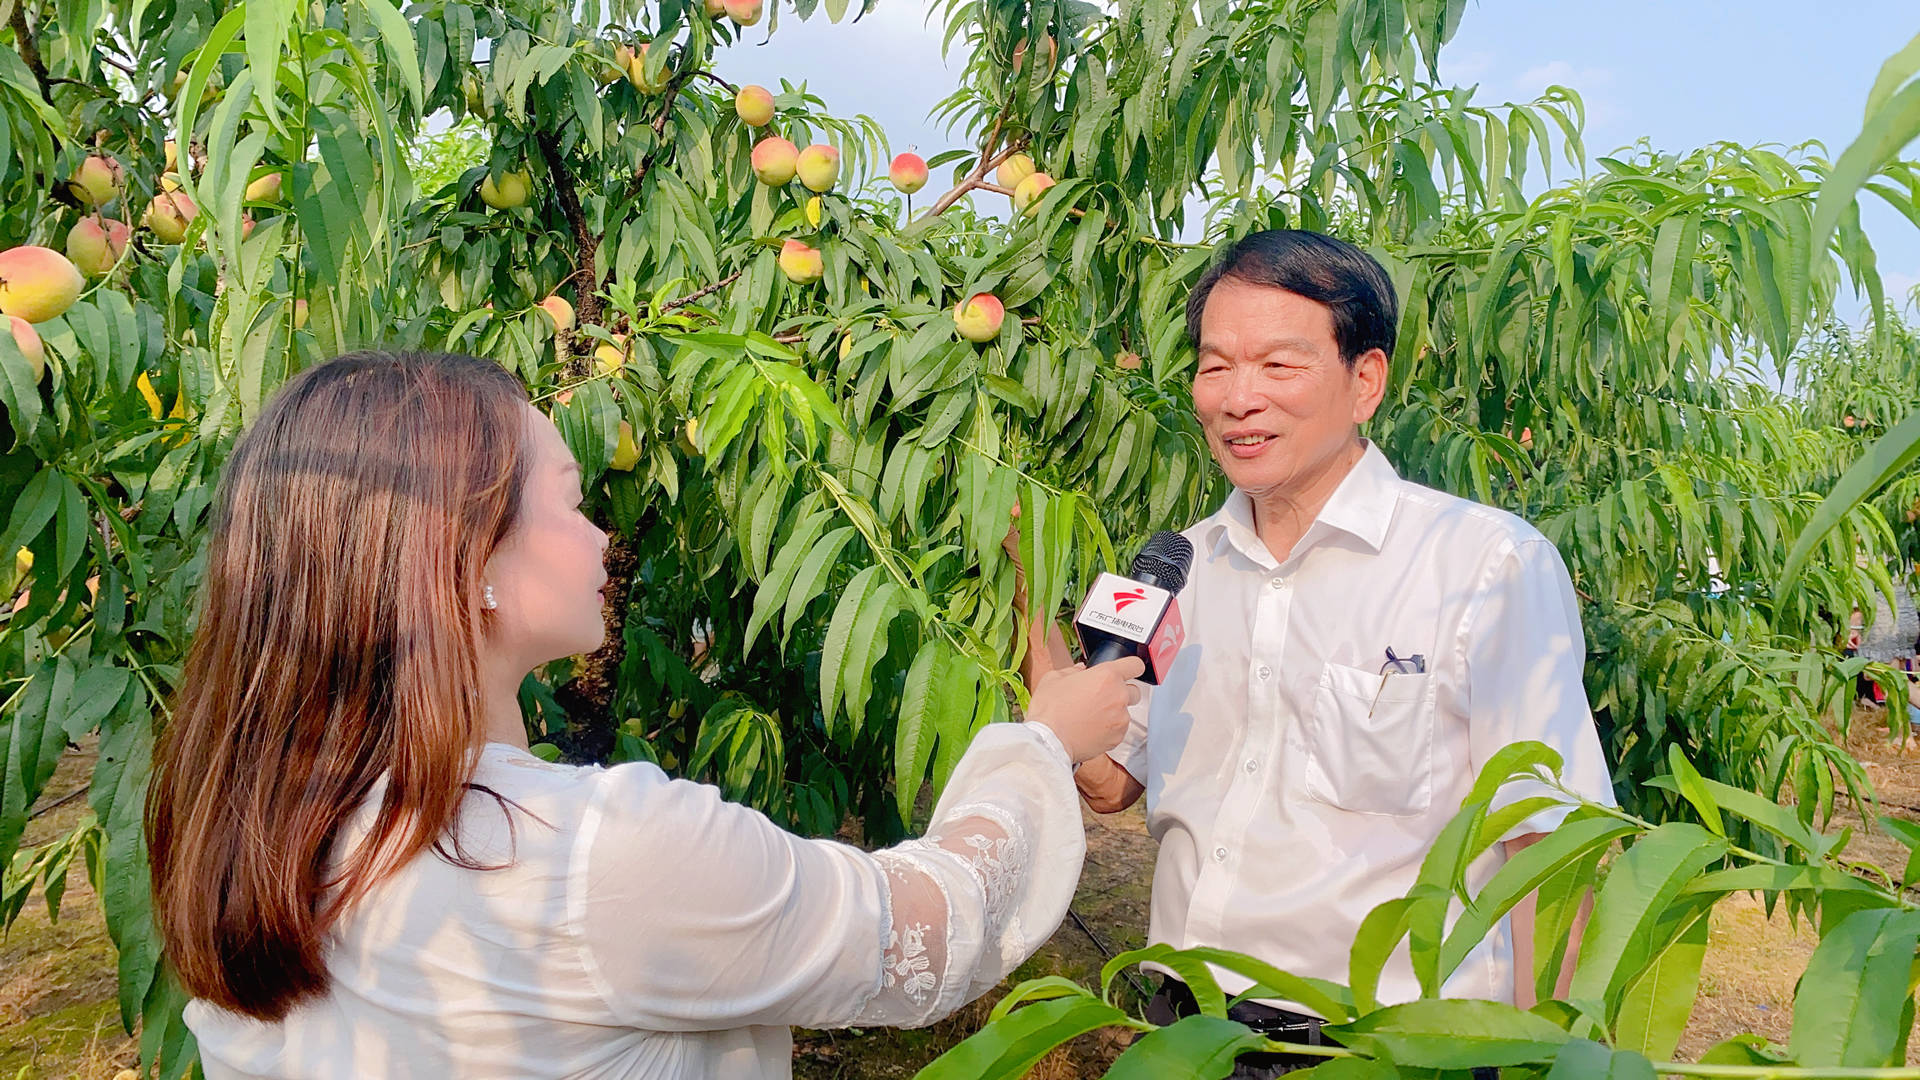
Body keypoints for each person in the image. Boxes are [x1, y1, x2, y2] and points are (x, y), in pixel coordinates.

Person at [145, 350, 1146, 1079]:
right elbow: (939, 925)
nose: (599, 538)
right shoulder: (597, 858)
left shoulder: (251, 831)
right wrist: (1040, 742)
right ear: (472, 561)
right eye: (573, 504)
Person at [1016, 231, 1614, 1077]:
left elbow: (1546, 844)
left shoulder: (1482, 566)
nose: (1237, 398)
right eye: (1215, 365)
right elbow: (1110, 779)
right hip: (1186, 1032)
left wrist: (1552, 1055)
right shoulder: (1178, 568)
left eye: (1278, 367)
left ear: (1365, 380)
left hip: (1381, 1047)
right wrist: (1023, 588)